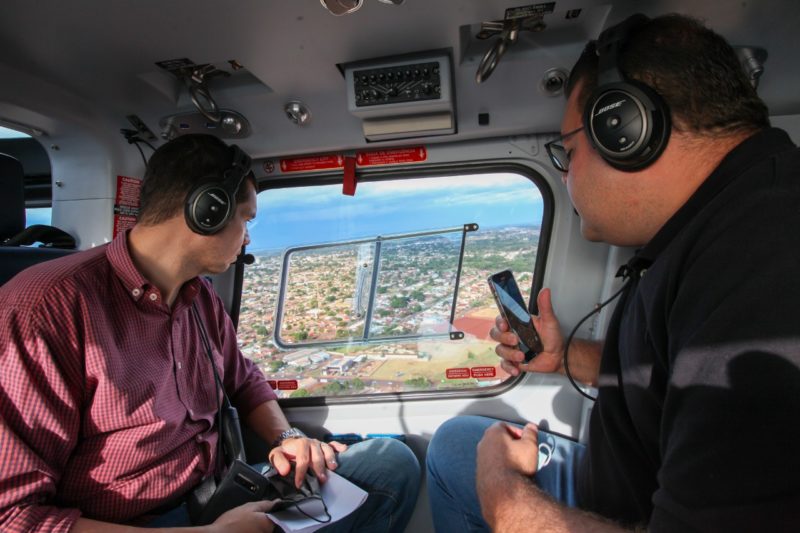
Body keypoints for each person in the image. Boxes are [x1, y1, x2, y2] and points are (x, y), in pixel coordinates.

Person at [427, 13, 800, 532]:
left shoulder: (765, 257)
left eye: (568, 152)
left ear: (624, 129)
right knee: (453, 443)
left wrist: (502, 491)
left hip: (638, 510)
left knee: (474, 460)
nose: (566, 172)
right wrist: (562, 358)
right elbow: (671, 371)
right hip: (634, 482)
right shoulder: (719, 226)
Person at [0, 133, 420, 533]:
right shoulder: (46, 308)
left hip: (218, 493)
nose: (248, 237)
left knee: (390, 464)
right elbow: (13, 517)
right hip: (133, 523)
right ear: (207, 210)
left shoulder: (198, 297)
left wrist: (286, 436)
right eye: (246, 218)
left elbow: (243, 380)